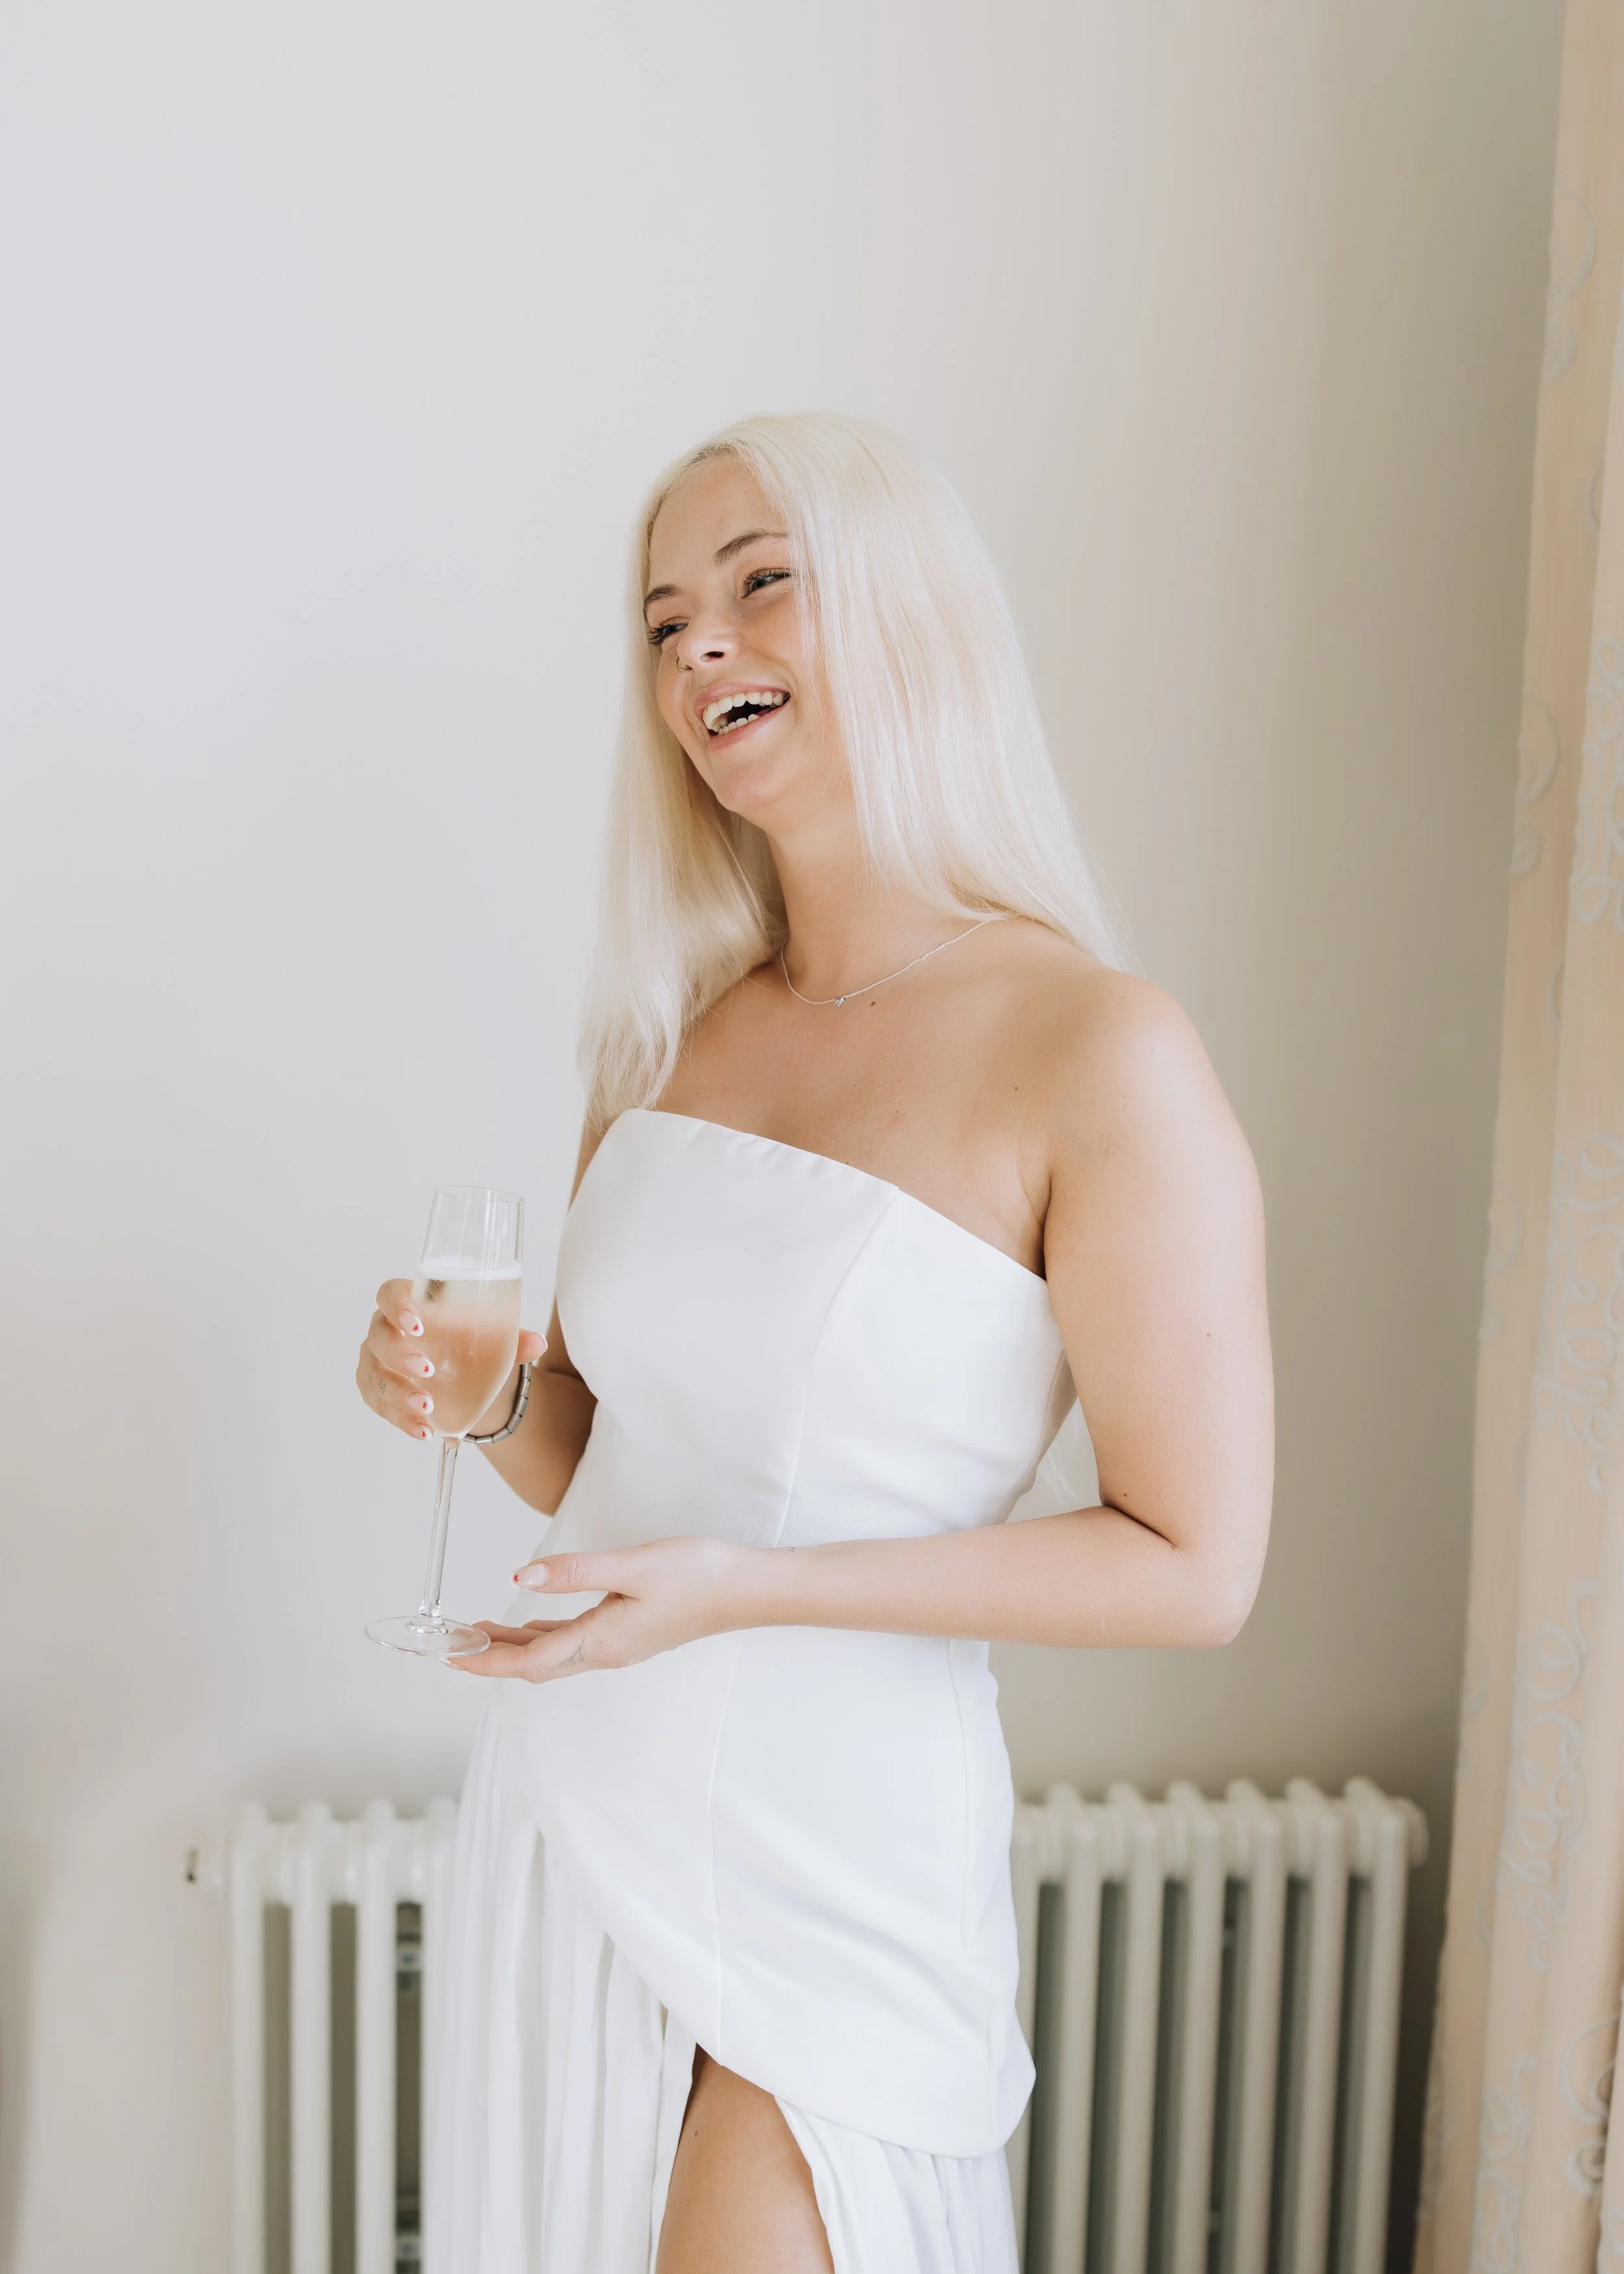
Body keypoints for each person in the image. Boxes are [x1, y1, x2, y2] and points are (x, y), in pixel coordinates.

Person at [356, 412, 1273, 2274]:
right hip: (571, 1819)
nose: (701, 649)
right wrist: (492, 1398)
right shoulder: (669, 1031)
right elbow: (619, 1456)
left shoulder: (1098, 1050)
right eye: (662, 619)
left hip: (836, 1865)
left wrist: (746, 1587)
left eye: (760, 584)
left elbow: (1194, 1565)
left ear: (908, 613)